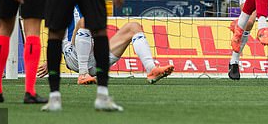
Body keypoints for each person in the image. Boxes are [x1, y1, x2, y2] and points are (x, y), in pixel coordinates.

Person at [37, 10, 175, 85]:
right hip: (73, 56)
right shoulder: (58, 0)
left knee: (134, 27)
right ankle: (83, 74)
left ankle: (151, 70)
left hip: (95, 53)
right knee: (84, 22)